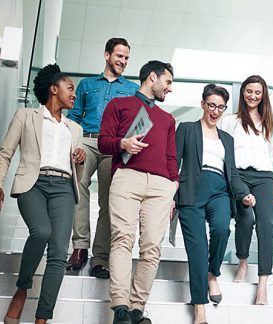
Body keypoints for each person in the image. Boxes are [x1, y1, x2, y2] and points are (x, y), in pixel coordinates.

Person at [0, 64, 86, 323]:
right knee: (41, 231)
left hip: (64, 188)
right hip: (33, 183)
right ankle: (22, 288)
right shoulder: (26, 116)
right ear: (54, 90)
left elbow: (78, 161)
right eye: (70, 89)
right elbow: (5, 153)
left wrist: (80, 156)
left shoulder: (74, 128)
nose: (74, 95)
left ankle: (42, 318)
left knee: (58, 252)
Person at [98, 60, 178, 324]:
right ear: (152, 77)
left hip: (161, 187)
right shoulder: (118, 105)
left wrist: (172, 188)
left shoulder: (168, 119)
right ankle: (120, 307)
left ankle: (136, 309)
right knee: (122, 239)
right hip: (126, 178)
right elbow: (102, 142)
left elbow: (170, 157)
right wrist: (122, 142)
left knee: (152, 247)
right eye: (167, 82)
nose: (170, 88)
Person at [220, 75, 273, 305]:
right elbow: (221, 151)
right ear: (243, 93)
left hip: (264, 178)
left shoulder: (269, 124)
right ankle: (243, 261)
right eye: (249, 91)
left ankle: (263, 285)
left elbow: (271, 157)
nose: (253, 96)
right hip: (239, 176)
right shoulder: (230, 121)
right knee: (245, 219)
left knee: (266, 225)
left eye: (257, 92)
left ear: (263, 95)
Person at [176, 84, 256, 324]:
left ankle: (213, 274)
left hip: (219, 189)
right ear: (202, 104)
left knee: (222, 229)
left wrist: (244, 194)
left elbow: (232, 173)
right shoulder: (187, 129)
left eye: (220, 107)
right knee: (197, 248)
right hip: (191, 190)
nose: (215, 111)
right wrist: (169, 195)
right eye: (211, 105)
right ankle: (199, 308)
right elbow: (174, 162)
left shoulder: (227, 139)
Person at [66, 37, 139, 278]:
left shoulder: (131, 90)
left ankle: (100, 258)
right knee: (79, 187)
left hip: (113, 145)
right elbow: (75, 117)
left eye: (127, 58)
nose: (123, 61)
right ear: (107, 55)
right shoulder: (86, 85)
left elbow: (134, 123)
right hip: (87, 140)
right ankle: (79, 248)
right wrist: (74, 143)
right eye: (120, 56)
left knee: (109, 201)